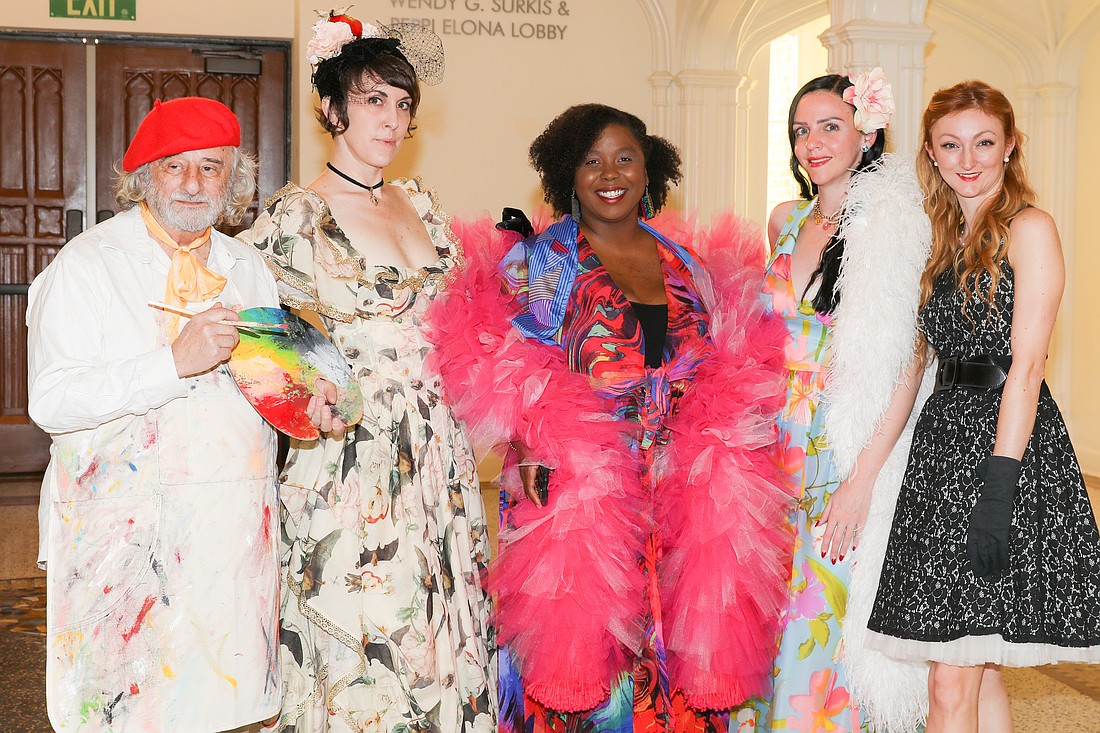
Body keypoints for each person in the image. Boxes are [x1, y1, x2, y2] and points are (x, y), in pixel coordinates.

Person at [423, 103, 792, 733]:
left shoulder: (687, 266)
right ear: (567, 172)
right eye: (591, 160)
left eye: (625, 157)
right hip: (577, 493)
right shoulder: (538, 263)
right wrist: (534, 436)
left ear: (650, 171)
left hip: (682, 495)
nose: (609, 173)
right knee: (585, 669)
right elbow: (491, 360)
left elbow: (724, 365)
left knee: (680, 651)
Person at [237, 13, 495, 733]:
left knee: (441, 637)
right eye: (373, 99)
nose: (390, 117)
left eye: (402, 102)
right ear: (332, 108)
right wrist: (309, 397)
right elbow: (261, 344)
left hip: (437, 450)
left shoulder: (422, 205)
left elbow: (463, 322)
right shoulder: (298, 214)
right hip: (352, 456)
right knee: (373, 635)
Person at [27, 96, 298, 732]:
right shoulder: (89, 265)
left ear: (234, 180)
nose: (192, 184)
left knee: (222, 701)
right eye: (174, 167)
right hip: (123, 532)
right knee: (130, 707)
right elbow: (53, 402)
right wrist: (171, 364)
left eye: (211, 167)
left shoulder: (249, 268)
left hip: (231, 528)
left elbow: (271, 388)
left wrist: (312, 403)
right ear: (144, 177)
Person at [866, 80, 1100, 732]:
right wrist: (864, 474)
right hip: (941, 453)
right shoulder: (936, 236)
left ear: (1010, 146)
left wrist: (999, 491)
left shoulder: (1030, 229)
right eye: (950, 144)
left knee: (949, 679)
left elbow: (1026, 369)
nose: (968, 159)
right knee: (978, 661)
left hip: (1006, 449)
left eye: (984, 143)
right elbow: (914, 367)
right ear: (932, 152)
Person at [754, 70, 933, 733]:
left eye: (830, 126)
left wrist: (862, 480)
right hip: (772, 454)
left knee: (830, 630)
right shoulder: (784, 219)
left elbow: (910, 366)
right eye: (802, 130)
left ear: (867, 131)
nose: (812, 142)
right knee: (772, 627)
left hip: (844, 451)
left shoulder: (894, 226)